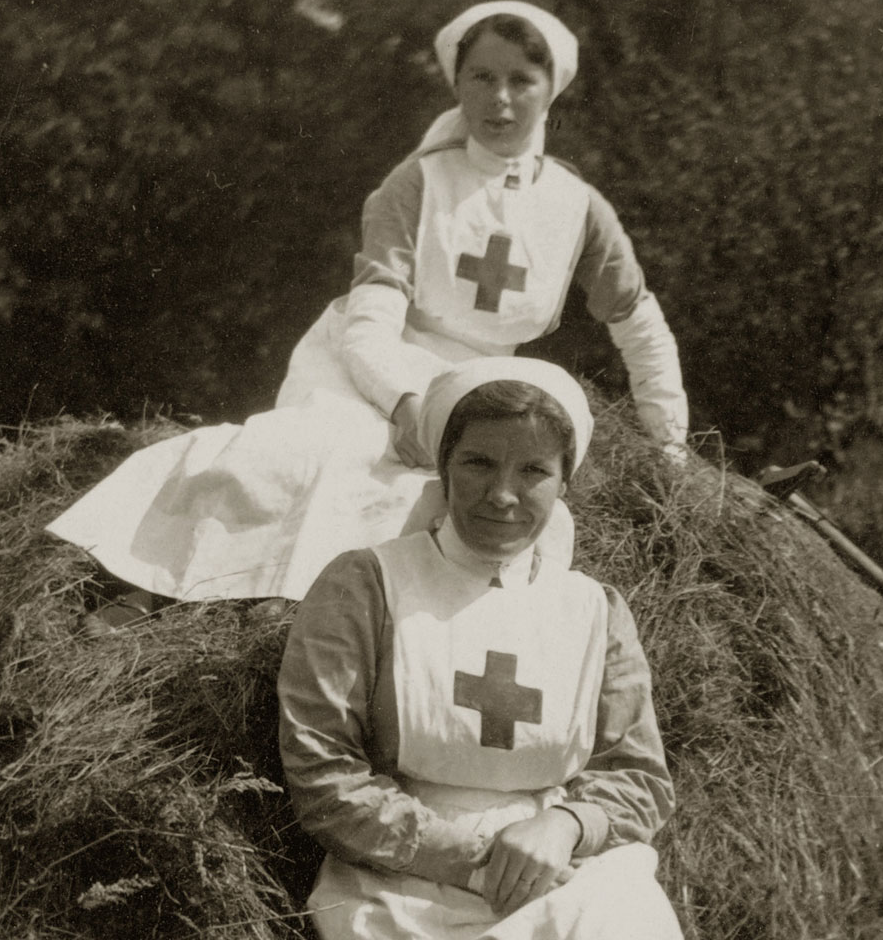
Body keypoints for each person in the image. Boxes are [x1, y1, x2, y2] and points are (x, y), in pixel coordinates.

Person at [46, 0, 688, 605]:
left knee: (469, 496)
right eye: (481, 76)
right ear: (457, 83)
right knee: (315, 457)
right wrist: (407, 405)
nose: (499, 99)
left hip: (484, 381)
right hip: (374, 365)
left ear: (552, 88)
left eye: (521, 79)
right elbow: (370, 326)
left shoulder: (579, 209)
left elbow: (642, 330)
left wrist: (671, 455)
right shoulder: (417, 183)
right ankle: (173, 590)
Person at [279, 357, 682, 939]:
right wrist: (477, 859)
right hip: (400, 878)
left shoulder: (597, 610)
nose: (502, 495)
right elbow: (324, 775)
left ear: (565, 481)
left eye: (533, 471)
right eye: (478, 463)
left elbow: (639, 778)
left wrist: (568, 824)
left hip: (565, 869)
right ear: (443, 467)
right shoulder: (364, 585)